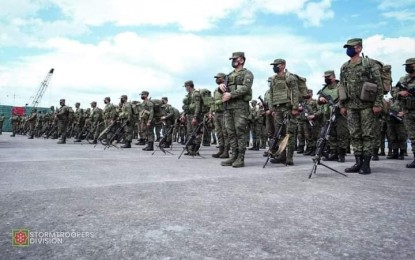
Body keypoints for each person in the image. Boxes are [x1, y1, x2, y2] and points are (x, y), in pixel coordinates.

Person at [339, 38, 384, 174]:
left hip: (366, 106)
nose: (349, 50)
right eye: (348, 47)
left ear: (359, 48)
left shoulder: (369, 64)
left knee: (367, 134)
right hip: (351, 106)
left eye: (351, 47)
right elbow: (341, 86)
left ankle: (366, 164)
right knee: (354, 134)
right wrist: (342, 105)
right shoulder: (345, 66)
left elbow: (379, 85)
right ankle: (358, 162)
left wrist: (377, 104)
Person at [219, 52, 254, 167]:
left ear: (242, 60)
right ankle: (233, 156)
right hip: (229, 107)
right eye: (232, 59)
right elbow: (224, 90)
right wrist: (220, 88)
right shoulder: (228, 75)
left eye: (235, 59)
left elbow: (245, 88)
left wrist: (231, 95)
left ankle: (240, 158)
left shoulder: (247, 74)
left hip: (240, 106)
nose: (233, 61)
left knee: (240, 131)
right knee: (230, 132)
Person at [267, 58, 299, 166]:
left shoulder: (290, 77)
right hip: (277, 109)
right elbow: (271, 95)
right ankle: (281, 156)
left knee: (289, 133)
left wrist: (295, 107)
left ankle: (289, 158)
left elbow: (295, 93)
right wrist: (272, 109)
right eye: (274, 65)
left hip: (288, 108)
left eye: (277, 65)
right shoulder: (273, 79)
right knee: (279, 133)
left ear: (283, 65)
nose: (274, 67)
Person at [318, 70, 350, 163]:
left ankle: (341, 154)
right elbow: (319, 101)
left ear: (334, 77)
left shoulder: (341, 86)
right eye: (325, 77)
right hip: (328, 114)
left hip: (340, 114)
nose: (326, 79)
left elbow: (346, 98)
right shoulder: (324, 89)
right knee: (331, 135)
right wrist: (321, 99)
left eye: (328, 77)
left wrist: (343, 107)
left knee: (342, 134)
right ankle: (334, 153)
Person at [395, 57, 415, 168]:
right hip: (408, 112)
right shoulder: (403, 80)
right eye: (407, 65)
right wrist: (400, 93)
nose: (408, 67)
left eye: (411, 65)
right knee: (413, 137)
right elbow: (394, 95)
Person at [211, 73, 229, 158]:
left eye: (218, 78)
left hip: (223, 112)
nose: (217, 79)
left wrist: (219, 102)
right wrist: (211, 111)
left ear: (223, 78)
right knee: (219, 132)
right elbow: (213, 101)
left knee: (225, 132)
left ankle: (226, 151)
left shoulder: (226, 87)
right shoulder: (216, 89)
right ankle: (221, 150)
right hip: (217, 113)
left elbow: (226, 99)